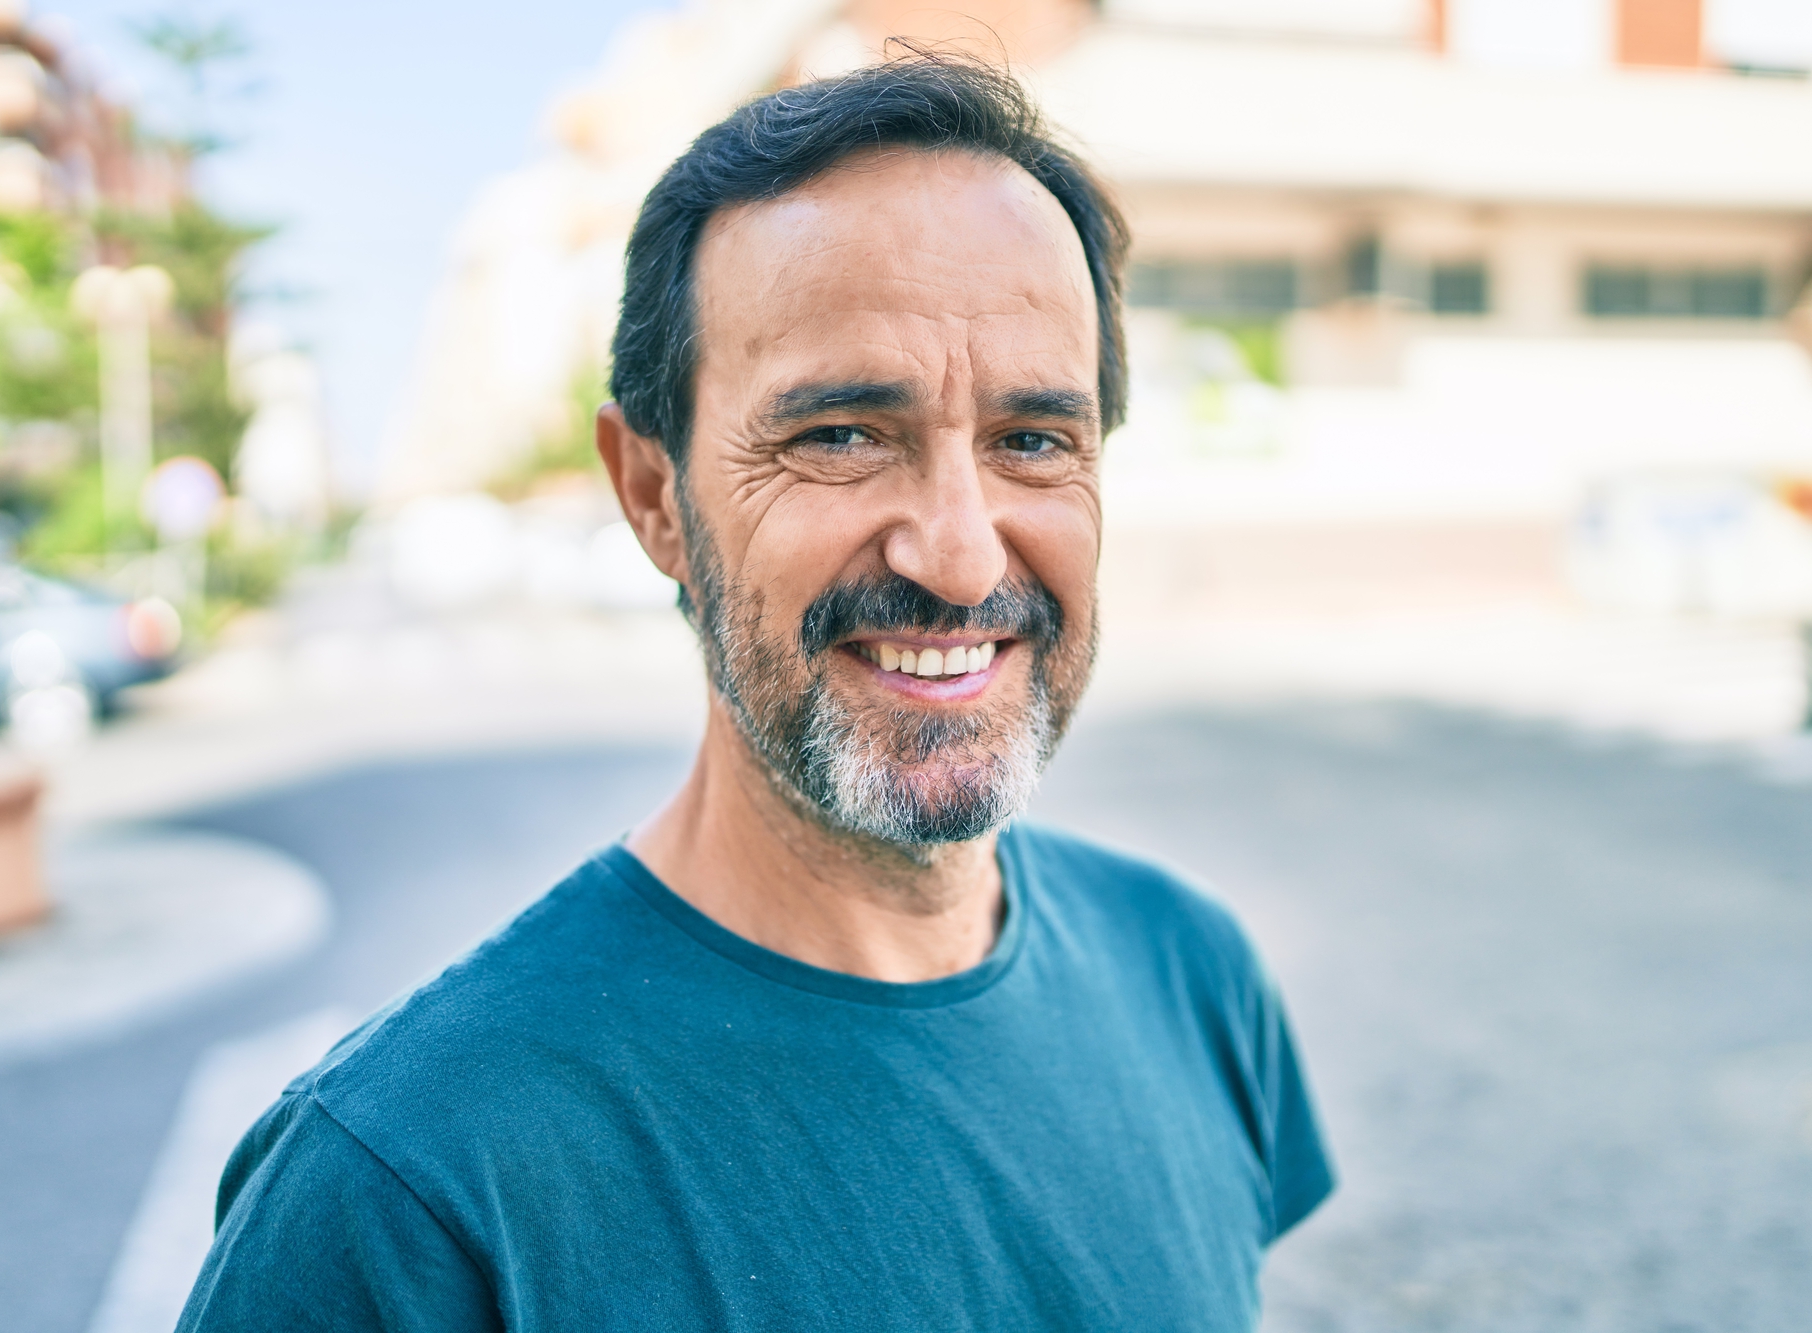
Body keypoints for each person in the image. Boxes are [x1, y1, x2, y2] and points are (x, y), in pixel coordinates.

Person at [178, 56, 1332, 1332]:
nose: (958, 553)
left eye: (1032, 441)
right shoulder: (404, 1193)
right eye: (838, 435)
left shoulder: (1191, 971)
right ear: (654, 496)